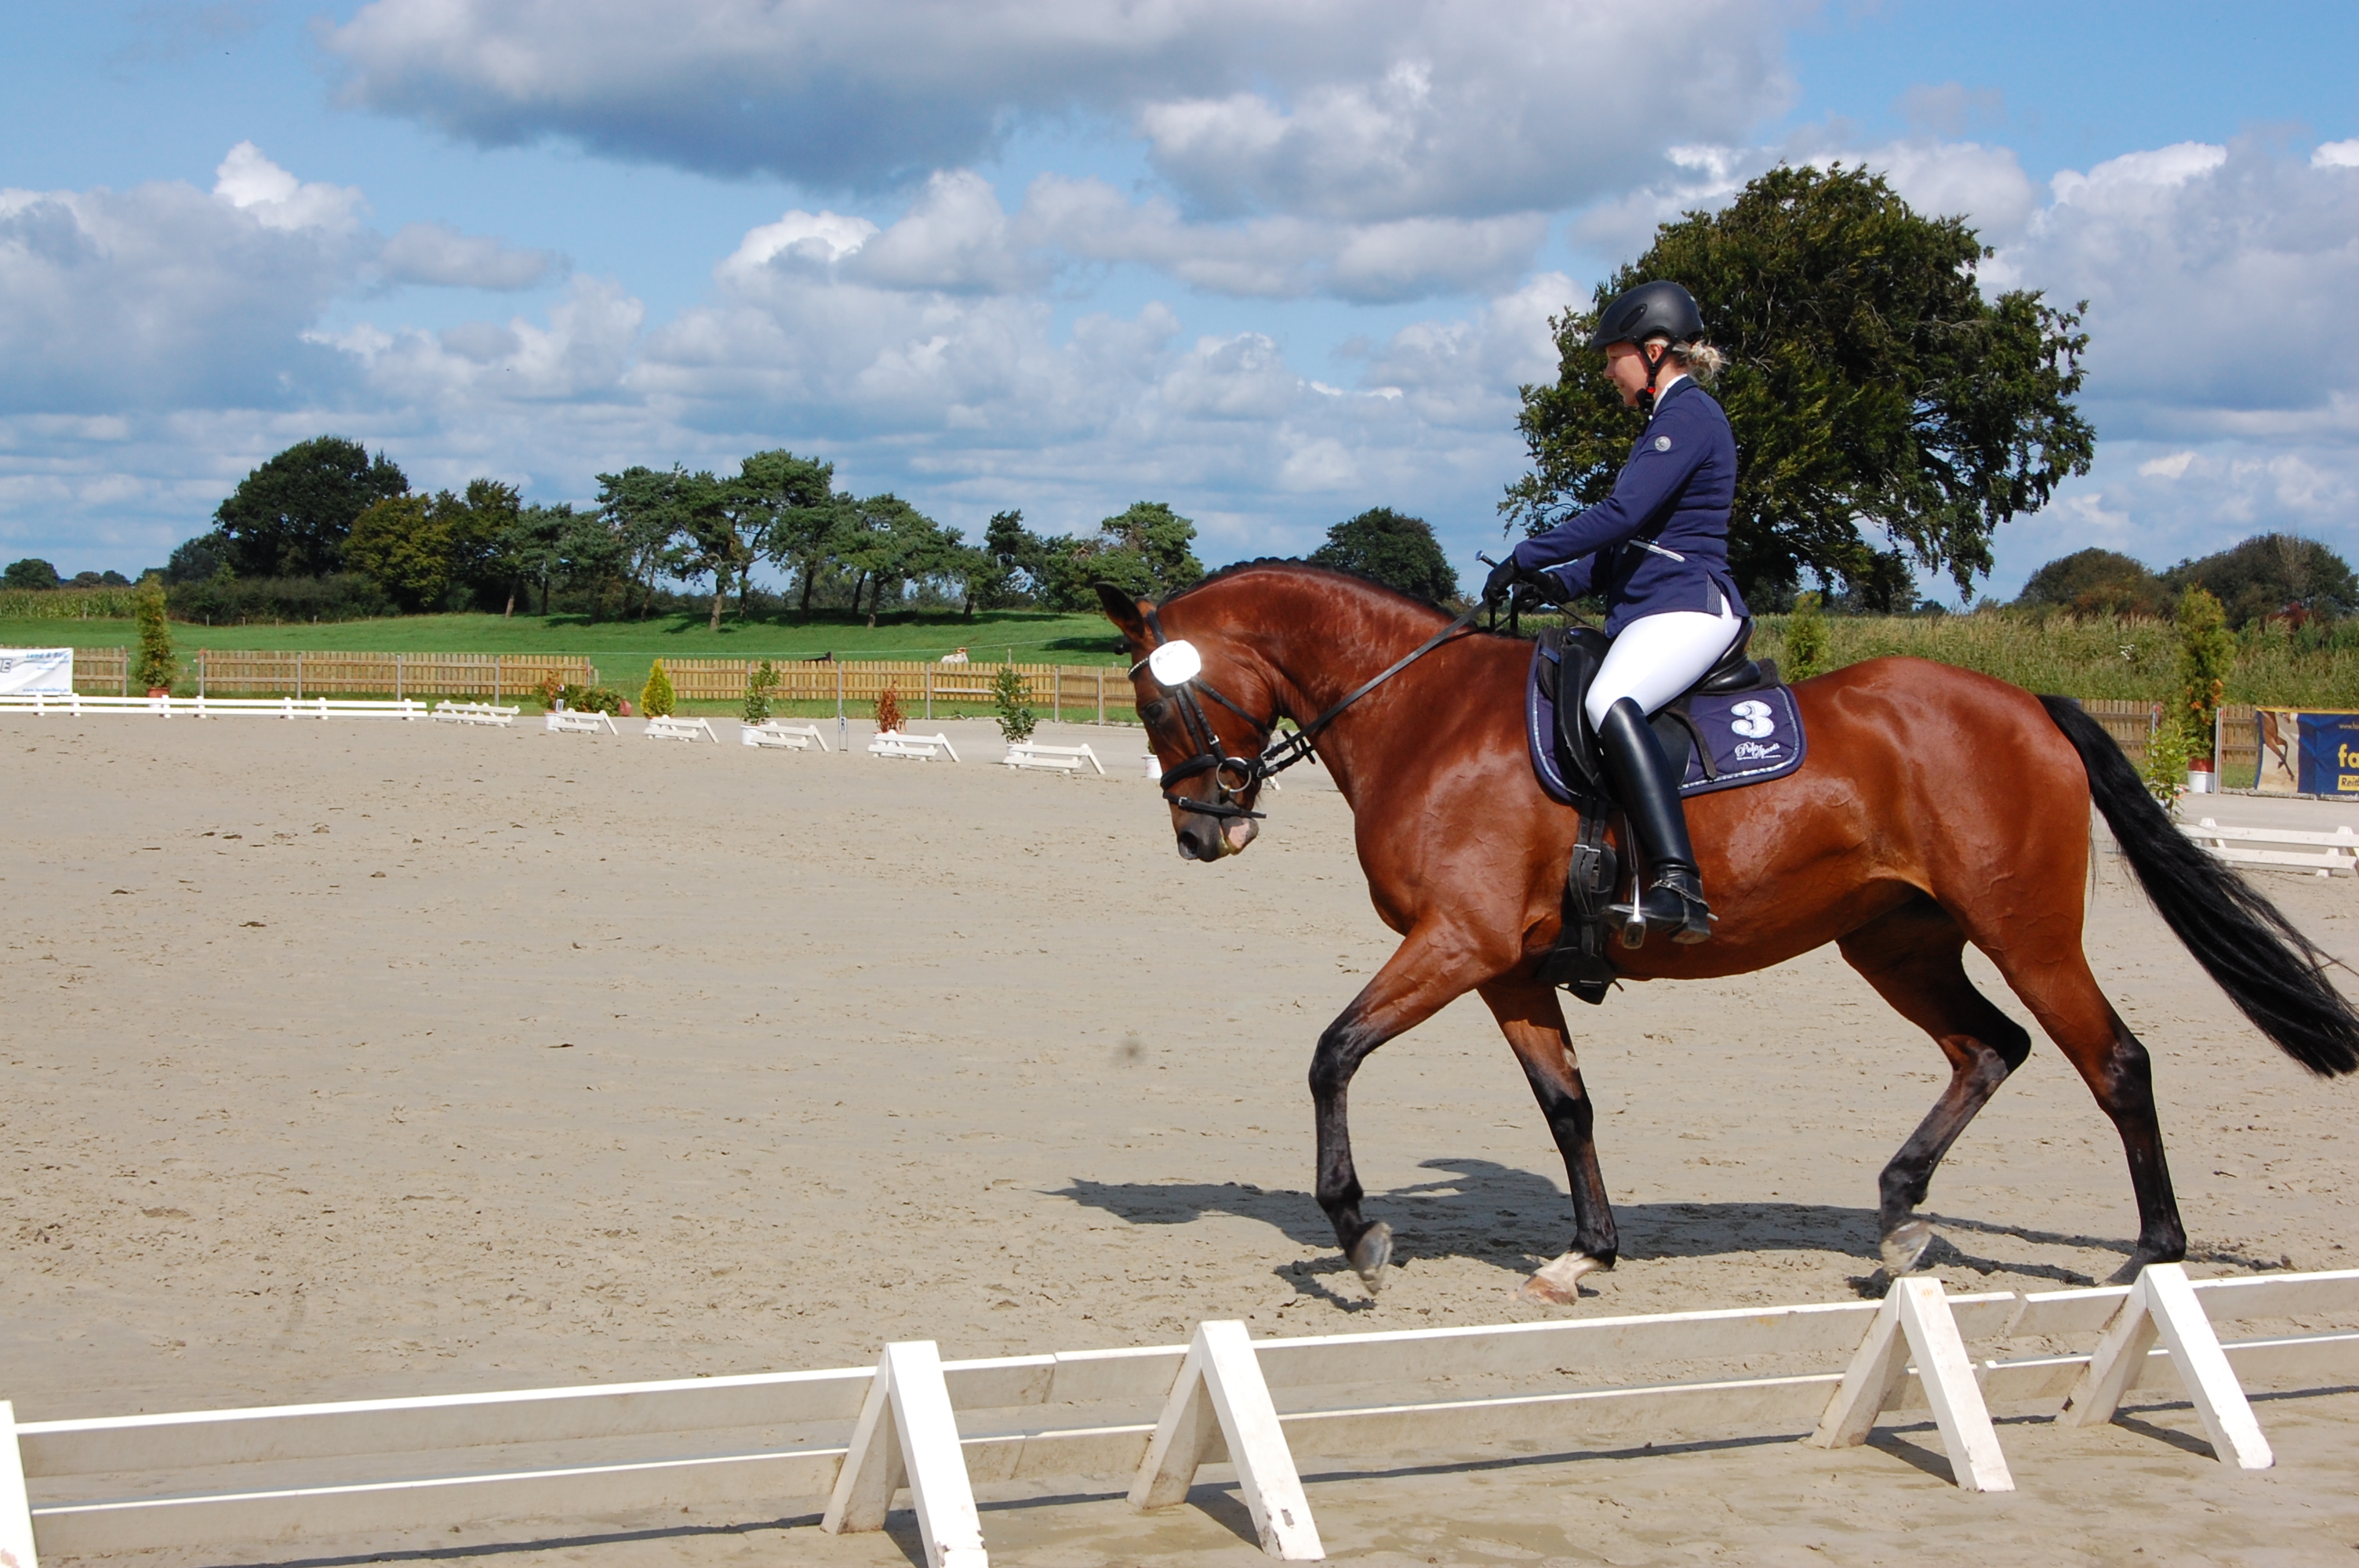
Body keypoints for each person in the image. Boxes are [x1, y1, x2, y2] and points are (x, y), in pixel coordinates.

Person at [1485, 280, 1747, 945]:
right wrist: (1553, 585)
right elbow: (1629, 546)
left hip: (1688, 605)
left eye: (1614, 356)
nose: (1608, 371)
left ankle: (1679, 884)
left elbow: (1620, 516)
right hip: (1653, 604)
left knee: (1609, 701)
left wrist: (1528, 552)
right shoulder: (1666, 422)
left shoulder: (1688, 415)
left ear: (1655, 351)